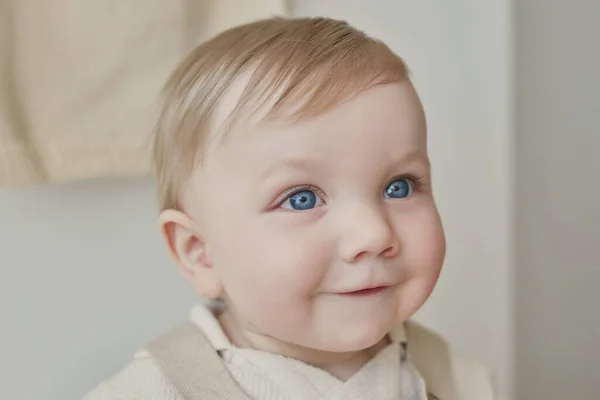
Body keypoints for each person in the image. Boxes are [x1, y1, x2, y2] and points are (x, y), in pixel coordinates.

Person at [83, 17, 501, 400]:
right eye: (301, 198)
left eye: (398, 187)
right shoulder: (153, 392)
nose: (373, 234)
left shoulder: (458, 381)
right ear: (199, 252)